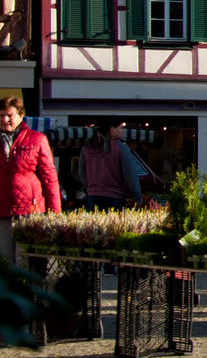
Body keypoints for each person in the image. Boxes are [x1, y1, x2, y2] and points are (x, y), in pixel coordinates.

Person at [0, 97, 61, 263]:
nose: (4, 120)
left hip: (29, 212)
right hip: (2, 211)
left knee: (25, 261)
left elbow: (50, 178)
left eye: (9, 115)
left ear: (21, 115)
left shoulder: (37, 139)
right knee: (4, 263)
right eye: (1, 115)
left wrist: (54, 212)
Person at [76, 118, 141, 211]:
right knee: (113, 224)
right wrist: (137, 197)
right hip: (115, 195)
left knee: (95, 224)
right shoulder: (121, 148)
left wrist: (89, 188)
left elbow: (82, 172)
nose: (123, 131)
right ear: (112, 130)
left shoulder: (87, 149)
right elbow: (130, 174)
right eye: (121, 128)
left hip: (93, 195)